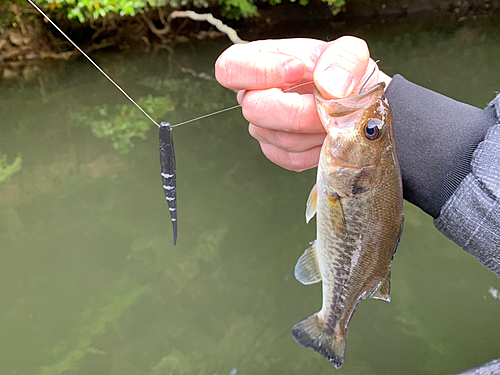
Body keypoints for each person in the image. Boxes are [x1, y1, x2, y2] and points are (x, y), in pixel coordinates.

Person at [215, 35, 500, 278]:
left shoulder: (356, 175)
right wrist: (388, 100)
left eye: (371, 130)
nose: (370, 126)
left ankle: (332, 321)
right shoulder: (354, 174)